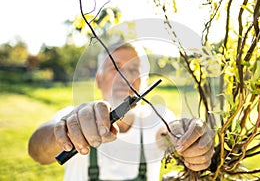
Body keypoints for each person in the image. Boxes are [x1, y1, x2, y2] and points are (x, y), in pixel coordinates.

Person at [28, 42, 215, 181]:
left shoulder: (159, 119)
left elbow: (171, 135)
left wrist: (189, 140)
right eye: (115, 67)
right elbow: (37, 152)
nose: (125, 76)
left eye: (134, 69)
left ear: (145, 83)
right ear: (99, 80)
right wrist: (64, 133)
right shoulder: (72, 115)